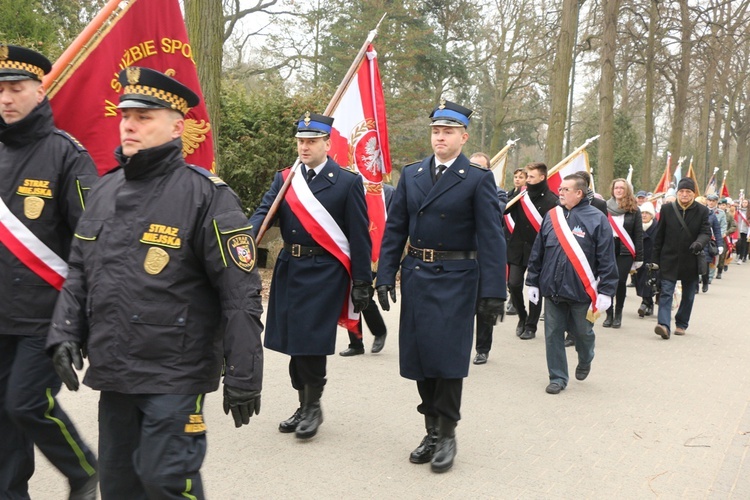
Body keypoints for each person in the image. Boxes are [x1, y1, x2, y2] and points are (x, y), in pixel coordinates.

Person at [47, 67, 264, 498]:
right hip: (115, 370)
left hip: (176, 371)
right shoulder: (104, 192)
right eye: (126, 114)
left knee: (167, 479)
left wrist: (244, 373)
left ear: (177, 126)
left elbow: (240, 292)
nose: (129, 123)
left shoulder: (207, 196)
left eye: (144, 116)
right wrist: (64, 331)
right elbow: (80, 271)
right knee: (121, 485)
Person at [376, 100, 506, 473]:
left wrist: (493, 292)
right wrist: (385, 274)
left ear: (463, 137)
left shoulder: (477, 179)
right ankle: (430, 429)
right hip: (417, 274)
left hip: (456, 278)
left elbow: (492, 238)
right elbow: (395, 228)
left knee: (446, 360)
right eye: (436, 131)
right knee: (419, 359)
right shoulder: (412, 173)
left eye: (448, 132)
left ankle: (447, 433)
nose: (440, 137)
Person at [0, 45, 99, 499]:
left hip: (45, 314)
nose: (5, 98)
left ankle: (82, 469)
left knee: (25, 403)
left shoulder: (66, 155)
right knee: (4, 417)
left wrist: (81, 322)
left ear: (40, 92)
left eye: (16, 88)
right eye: (0, 89)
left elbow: (92, 243)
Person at [249, 111, 372, 439]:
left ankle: (313, 405)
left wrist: (362, 280)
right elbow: (263, 214)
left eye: (311, 141)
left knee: (310, 342)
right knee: (292, 340)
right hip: (290, 268)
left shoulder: (346, 182)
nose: (304, 147)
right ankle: (303, 403)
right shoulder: (286, 178)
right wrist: (243, 242)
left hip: (325, 273)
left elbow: (359, 236)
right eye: (301, 141)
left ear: (327, 144)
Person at [525, 174, 618, 394]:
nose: (560, 192)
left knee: (583, 332)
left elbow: (607, 258)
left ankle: (586, 358)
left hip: (582, 291)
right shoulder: (551, 216)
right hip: (553, 289)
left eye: (566, 189)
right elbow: (538, 250)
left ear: (579, 192)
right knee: (552, 333)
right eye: (560, 189)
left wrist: (606, 291)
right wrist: (533, 282)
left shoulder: (597, 218)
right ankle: (557, 376)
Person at [339, 183, 394, 357]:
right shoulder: (349, 187)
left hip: (375, 251)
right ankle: (356, 342)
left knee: (365, 295)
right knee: (349, 295)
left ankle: (379, 331)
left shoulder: (388, 193)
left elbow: (394, 225)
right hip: (352, 246)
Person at [504, 162, 557, 339]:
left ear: (542, 177)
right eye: (527, 176)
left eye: (531, 177)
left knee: (535, 289)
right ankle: (522, 316)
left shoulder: (552, 200)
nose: (527, 179)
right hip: (518, 247)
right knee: (513, 284)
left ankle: (531, 326)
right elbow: (503, 211)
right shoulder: (520, 195)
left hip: (539, 251)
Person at [653, 177, 710, 339]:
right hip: (669, 258)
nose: (684, 194)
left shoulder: (702, 211)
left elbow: (706, 232)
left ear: (693, 194)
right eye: (682, 191)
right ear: (677, 193)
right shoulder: (667, 209)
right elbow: (659, 236)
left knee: (689, 295)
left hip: (690, 259)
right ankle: (663, 325)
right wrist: (655, 260)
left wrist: (699, 243)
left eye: (688, 192)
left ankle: (681, 323)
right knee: (666, 292)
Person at [469, 152, 507, 365]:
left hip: (485, 257)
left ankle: (483, 349)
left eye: (481, 167)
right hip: (462, 257)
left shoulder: (498, 193)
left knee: (484, 308)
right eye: (472, 166)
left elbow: (495, 212)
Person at [603, 179, 643, 328]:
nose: (619, 190)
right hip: (608, 247)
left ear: (627, 190)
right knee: (607, 280)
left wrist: (639, 257)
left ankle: (618, 313)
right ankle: (609, 313)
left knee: (620, 281)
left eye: (622, 188)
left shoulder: (634, 209)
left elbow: (638, 235)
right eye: (616, 188)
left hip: (625, 249)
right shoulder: (605, 207)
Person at [695, 195, 723, 293]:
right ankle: (695, 287)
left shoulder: (711, 215)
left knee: (705, 265)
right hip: (694, 242)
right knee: (694, 265)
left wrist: (720, 244)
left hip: (705, 243)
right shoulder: (692, 215)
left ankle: (705, 282)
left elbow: (717, 230)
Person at [635, 202, 658, 315]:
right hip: (639, 259)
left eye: (647, 213)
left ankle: (644, 304)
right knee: (639, 281)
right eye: (642, 213)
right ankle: (649, 304)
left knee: (648, 282)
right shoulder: (637, 226)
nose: (644, 215)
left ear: (652, 215)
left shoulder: (657, 227)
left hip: (652, 260)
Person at [706, 194, 726, 282]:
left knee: (714, 258)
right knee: (702, 258)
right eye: (709, 200)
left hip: (715, 239)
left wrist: (719, 238)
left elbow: (723, 226)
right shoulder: (702, 211)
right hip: (705, 238)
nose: (711, 202)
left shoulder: (721, 213)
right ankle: (700, 276)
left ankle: (710, 276)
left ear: (716, 202)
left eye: (713, 201)